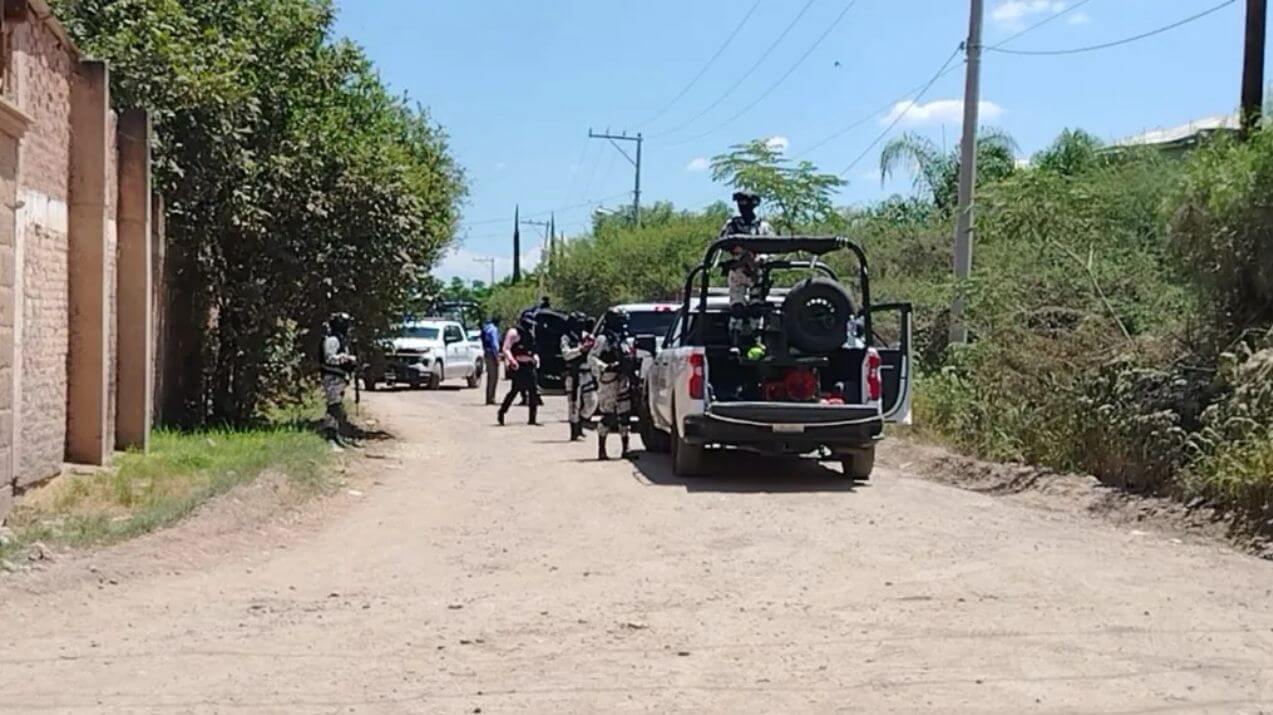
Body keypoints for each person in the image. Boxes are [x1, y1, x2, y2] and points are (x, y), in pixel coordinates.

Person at [719, 191, 775, 349]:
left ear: (754, 205)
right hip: (738, 271)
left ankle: (756, 340)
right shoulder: (732, 225)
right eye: (741, 204)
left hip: (758, 273)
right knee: (737, 308)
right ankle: (735, 341)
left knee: (756, 309)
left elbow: (773, 248)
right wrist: (741, 257)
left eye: (747, 204)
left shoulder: (763, 227)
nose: (743, 208)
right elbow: (722, 244)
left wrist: (758, 260)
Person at [589, 308, 637, 460]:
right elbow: (591, 358)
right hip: (609, 379)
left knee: (625, 414)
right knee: (608, 415)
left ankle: (626, 448)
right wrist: (606, 367)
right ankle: (602, 450)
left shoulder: (623, 338)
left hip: (623, 379)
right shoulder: (603, 339)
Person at [320, 312, 359, 450]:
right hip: (331, 378)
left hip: (339, 378)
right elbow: (329, 358)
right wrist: (346, 358)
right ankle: (330, 438)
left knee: (336, 408)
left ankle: (336, 437)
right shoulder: (332, 340)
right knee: (334, 408)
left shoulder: (340, 340)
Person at [497, 313, 540, 426]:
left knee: (533, 391)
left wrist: (536, 358)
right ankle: (502, 412)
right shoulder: (514, 333)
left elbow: (533, 349)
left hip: (530, 365)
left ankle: (532, 419)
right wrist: (512, 361)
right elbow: (506, 348)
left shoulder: (530, 334)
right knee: (515, 390)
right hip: (518, 366)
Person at [561, 312, 595, 441]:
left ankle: (581, 422)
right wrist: (580, 350)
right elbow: (566, 354)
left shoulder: (587, 336)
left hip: (587, 373)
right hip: (573, 374)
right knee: (574, 404)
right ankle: (574, 431)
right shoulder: (566, 338)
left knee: (592, 402)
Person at [480, 316, 502, 405]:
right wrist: (497, 357)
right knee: (494, 377)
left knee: (490, 377)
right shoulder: (493, 330)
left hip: (487, 353)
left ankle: (489, 397)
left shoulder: (487, 328)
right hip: (492, 353)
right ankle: (491, 398)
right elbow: (495, 345)